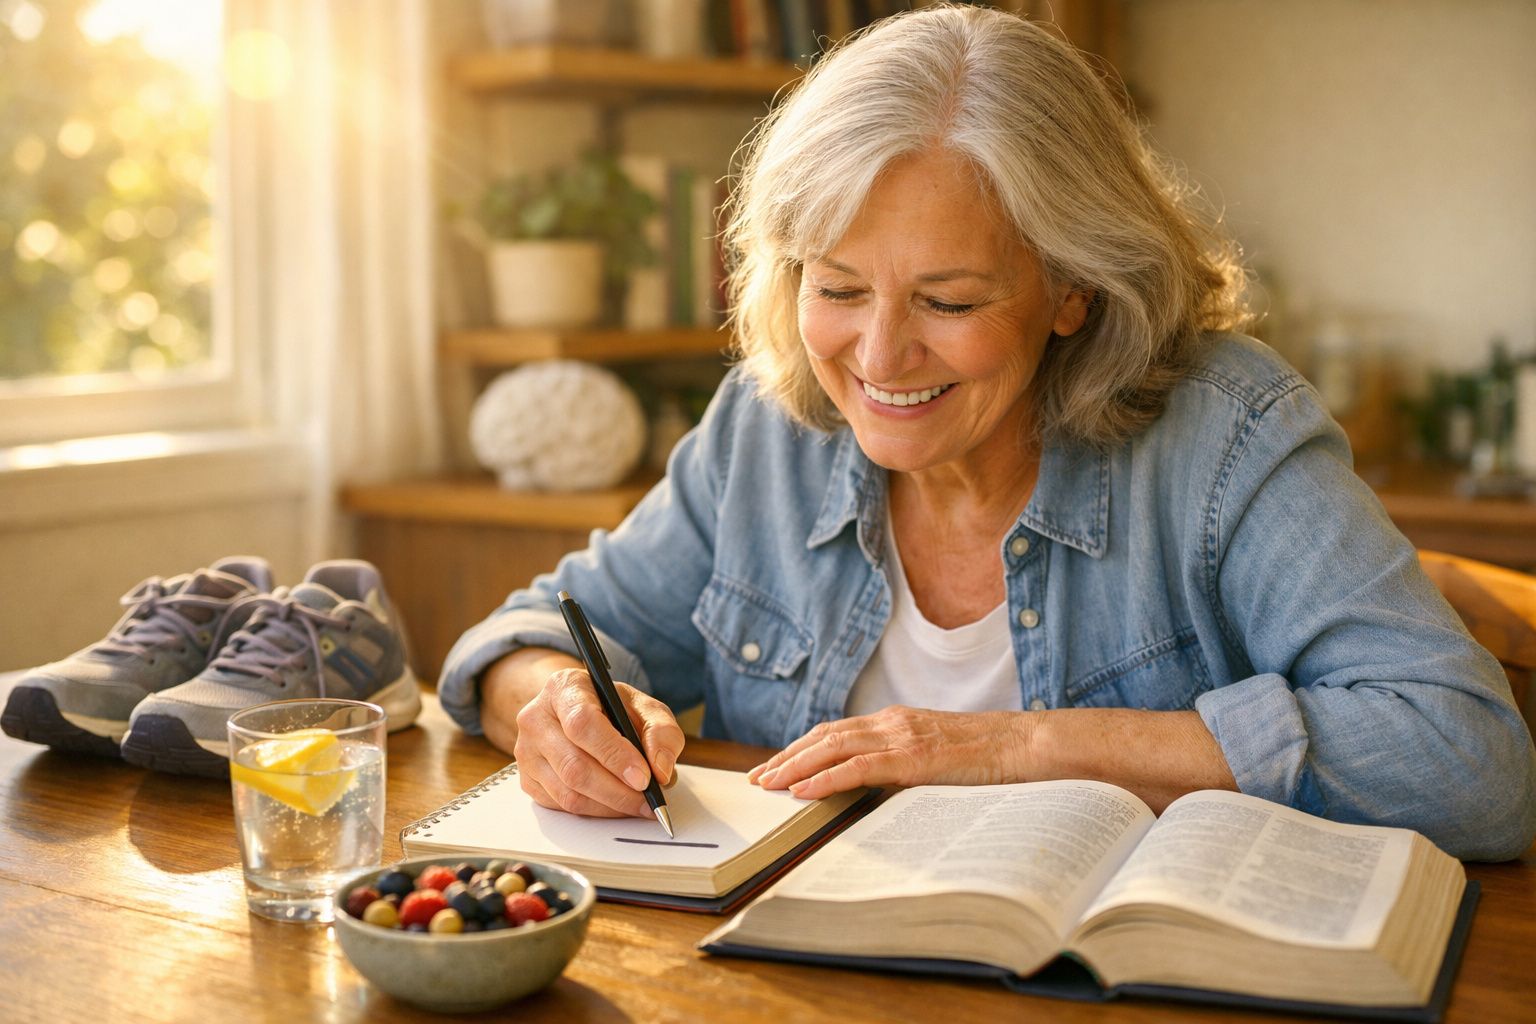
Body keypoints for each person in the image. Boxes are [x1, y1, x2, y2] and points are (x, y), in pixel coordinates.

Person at [438, 5, 1535, 860]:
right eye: (838, 288)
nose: (878, 357)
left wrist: (1015, 748)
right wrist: (554, 704)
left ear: (1074, 288)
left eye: (949, 300)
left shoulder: (1224, 434)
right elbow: (524, 637)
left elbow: (1471, 761)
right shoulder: (768, 431)